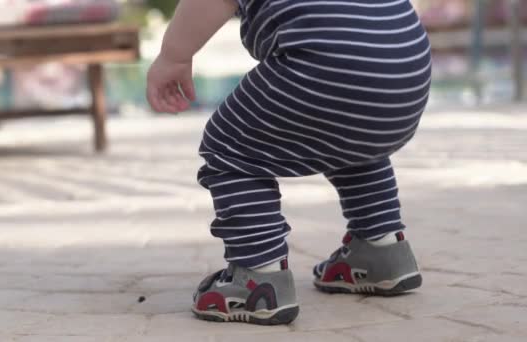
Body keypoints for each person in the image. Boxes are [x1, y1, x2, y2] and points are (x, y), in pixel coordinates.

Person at [146, 0, 431, 325]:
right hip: (407, 68)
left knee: (229, 145)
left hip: (326, 65)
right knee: (349, 135)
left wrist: (174, 56)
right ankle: (381, 247)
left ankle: (258, 277)